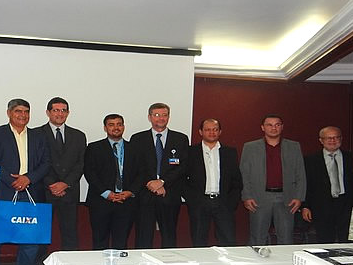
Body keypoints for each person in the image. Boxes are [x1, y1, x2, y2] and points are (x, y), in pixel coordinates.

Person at [0, 99, 50, 265]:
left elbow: (46, 162)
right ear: (9, 113)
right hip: (3, 192)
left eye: (27, 112)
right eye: (18, 111)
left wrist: (28, 178)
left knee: (30, 241)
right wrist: (12, 181)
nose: (23, 115)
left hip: (31, 192)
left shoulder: (39, 135)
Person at [32, 97, 86, 265]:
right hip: (44, 191)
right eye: (56, 110)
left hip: (69, 192)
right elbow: (36, 163)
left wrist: (65, 183)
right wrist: (51, 184)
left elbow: (80, 164)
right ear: (48, 112)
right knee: (40, 234)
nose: (60, 114)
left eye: (63, 110)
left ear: (68, 113)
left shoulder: (79, 135)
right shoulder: (36, 134)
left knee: (70, 233)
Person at [129, 103, 188, 248]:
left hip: (169, 194)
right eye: (156, 115)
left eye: (164, 115)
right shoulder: (137, 139)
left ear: (168, 117)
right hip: (145, 195)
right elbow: (135, 167)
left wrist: (162, 182)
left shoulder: (181, 139)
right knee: (143, 237)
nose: (160, 118)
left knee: (169, 237)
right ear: (149, 117)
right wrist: (151, 183)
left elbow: (183, 166)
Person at [240, 114, 305, 245]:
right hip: (259, 198)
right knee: (257, 238)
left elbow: (300, 173)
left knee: (286, 239)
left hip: (286, 198)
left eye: (277, 125)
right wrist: (246, 196)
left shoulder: (293, 147)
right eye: (269, 125)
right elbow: (244, 174)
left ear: (282, 127)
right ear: (262, 127)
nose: (273, 128)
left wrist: (299, 197)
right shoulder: (250, 147)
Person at [84, 114, 141, 249]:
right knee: (99, 242)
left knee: (121, 243)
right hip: (101, 202)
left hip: (126, 202)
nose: (116, 128)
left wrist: (130, 192)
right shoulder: (94, 148)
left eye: (119, 124)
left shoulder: (135, 148)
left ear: (123, 127)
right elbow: (90, 173)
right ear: (105, 128)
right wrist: (106, 193)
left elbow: (141, 173)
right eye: (111, 124)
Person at [184, 119, 242, 247]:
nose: (211, 132)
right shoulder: (191, 152)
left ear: (220, 132)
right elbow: (182, 179)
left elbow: (236, 180)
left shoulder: (229, 152)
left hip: (223, 202)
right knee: (199, 242)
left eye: (215, 129)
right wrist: (192, 200)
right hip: (199, 202)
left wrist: (231, 202)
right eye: (208, 129)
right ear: (200, 132)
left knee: (228, 241)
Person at [302, 126, 353, 243]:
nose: (332, 141)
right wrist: (305, 206)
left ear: (341, 139)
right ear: (321, 140)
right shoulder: (310, 160)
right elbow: (306, 184)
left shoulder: (352, 158)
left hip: (346, 204)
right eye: (328, 138)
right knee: (324, 239)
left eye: (336, 137)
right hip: (321, 205)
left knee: (347, 239)